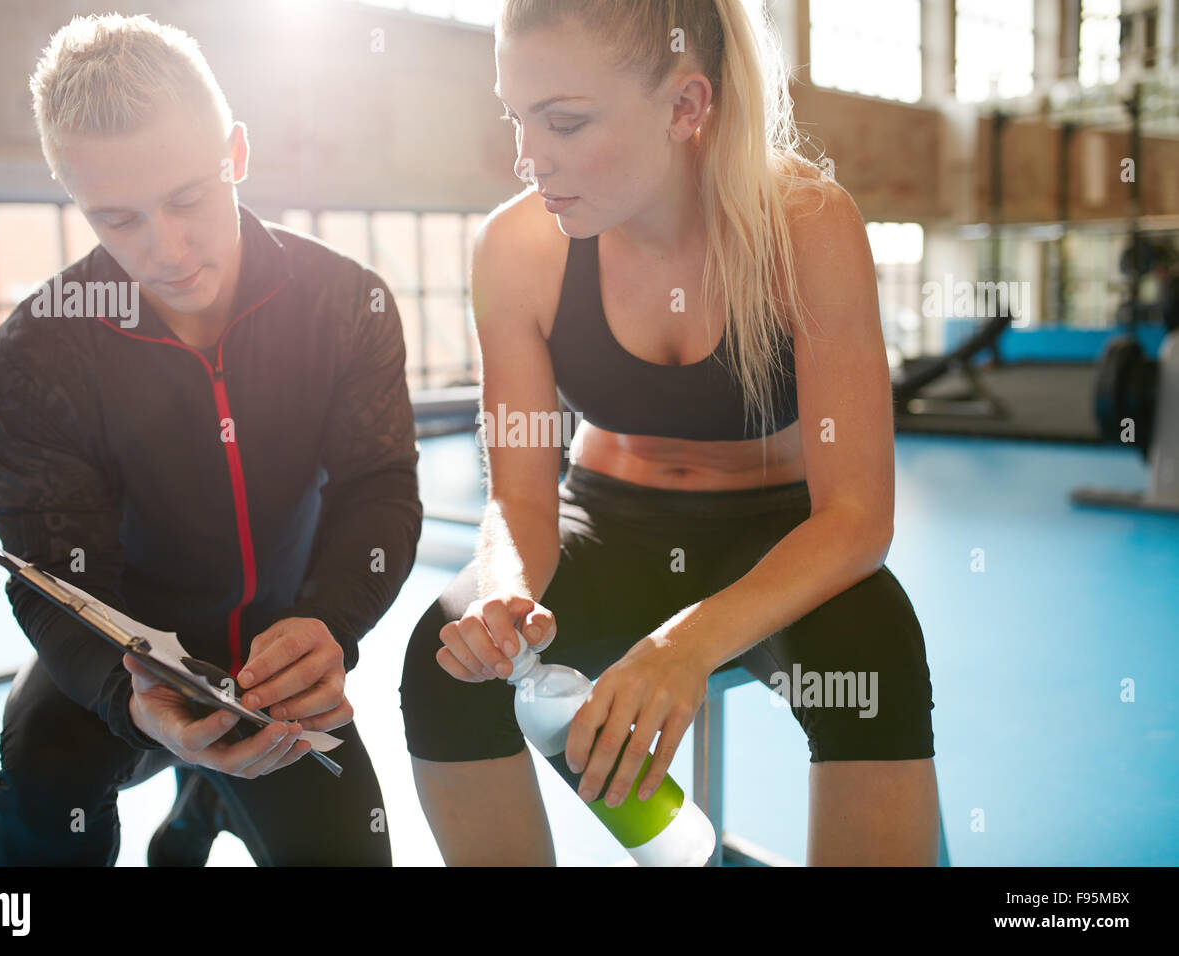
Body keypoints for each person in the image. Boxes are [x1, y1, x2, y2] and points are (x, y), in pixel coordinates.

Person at [399, 0, 939, 866]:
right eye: (518, 118)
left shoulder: (807, 226)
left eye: (564, 123)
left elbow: (856, 519)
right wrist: (503, 592)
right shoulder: (516, 248)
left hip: (782, 533)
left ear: (686, 108)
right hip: (605, 523)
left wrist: (684, 645)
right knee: (447, 658)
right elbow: (521, 497)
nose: (527, 158)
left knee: (870, 657)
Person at [0, 13, 421, 865]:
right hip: (123, 657)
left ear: (237, 155)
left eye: (188, 199)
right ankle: (191, 783)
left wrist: (330, 625)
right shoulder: (37, 353)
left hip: (284, 648)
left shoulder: (345, 304)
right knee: (41, 777)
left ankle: (196, 812)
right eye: (118, 220)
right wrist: (129, 694)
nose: (168, 250)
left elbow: (379, 488)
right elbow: (50, 580)